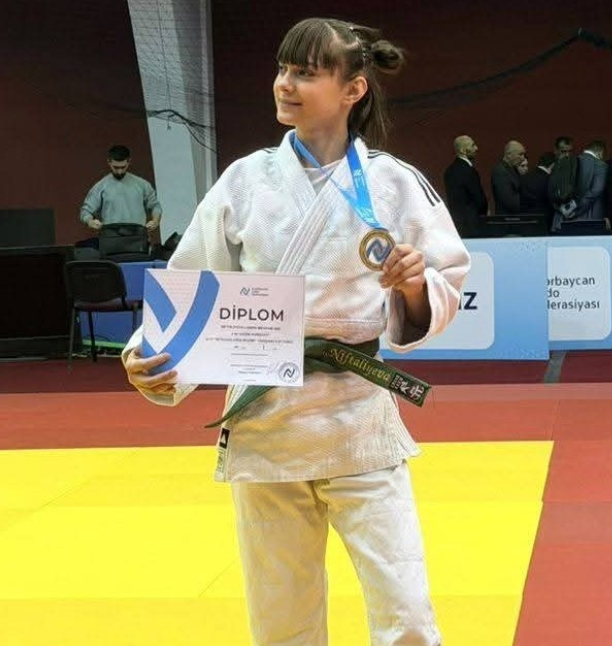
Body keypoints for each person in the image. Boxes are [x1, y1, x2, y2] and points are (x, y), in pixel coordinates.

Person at [122, 17, 469, 646]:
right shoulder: (244, 180)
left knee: (408, 614)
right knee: (282, 619)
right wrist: (150, 356)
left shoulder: (394, 182)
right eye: (283, 69)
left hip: (358, 414)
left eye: (306, 73)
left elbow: (447, 276)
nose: (285, 84)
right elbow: (191, 280)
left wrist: (414, 285)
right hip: (267, 419)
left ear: (353, 90)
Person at [79, 144, 164, 245]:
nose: (119, 171)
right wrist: (90, 221)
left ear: (129, 161)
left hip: (138, 238)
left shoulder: (142, 185)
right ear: (109, 162)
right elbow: (85, 211)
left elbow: (155, 206)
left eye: (123, 167)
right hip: (111, 239)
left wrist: (155, 220)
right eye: (116, 167)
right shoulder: (101, 186)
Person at [442, 135, 487, 238]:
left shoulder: (449, 171)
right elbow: (479, 199)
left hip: (456, 225)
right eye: (473, 145)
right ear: (463, 150)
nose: (476, 148)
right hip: (473, 225)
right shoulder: (469, 171)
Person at [491, 140, 525, 214]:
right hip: (507, 218)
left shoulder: (512, 170)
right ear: (508, 154)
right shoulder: (501, 172)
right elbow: (510, 202)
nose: (523, 158)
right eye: (520, 154)